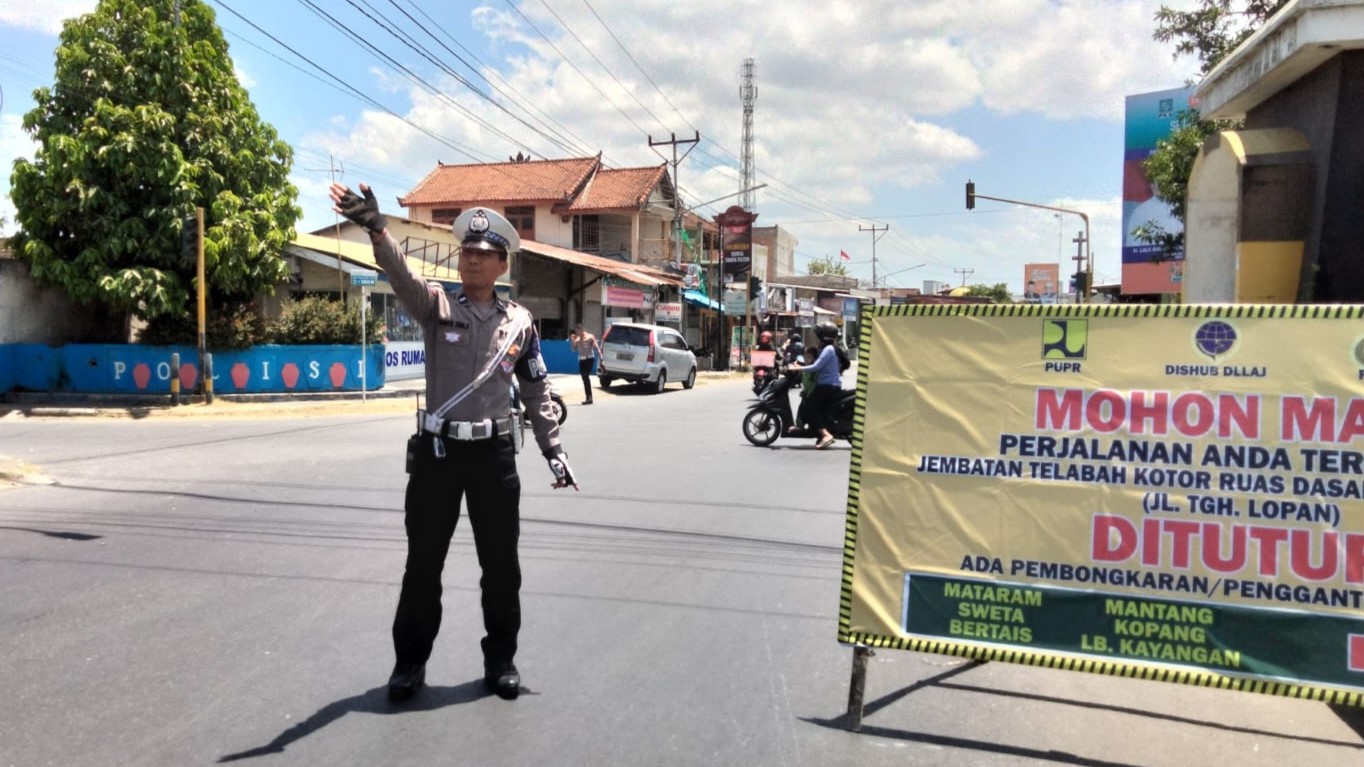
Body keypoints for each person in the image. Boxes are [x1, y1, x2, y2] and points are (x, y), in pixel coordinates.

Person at [329, 182, 578, 703]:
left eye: (484, 255)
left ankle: (502, 658)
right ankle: (409, 663)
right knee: (423, 565)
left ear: (502, 266)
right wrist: (378, 229)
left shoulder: (521, 326)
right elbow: (401, 275)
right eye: (467, 251)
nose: (472, 261)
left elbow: (536, 389)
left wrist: (554, 450)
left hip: (493, 458)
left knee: (501, 567)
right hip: (439, 457)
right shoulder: (436, 306)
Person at [787, 322, 845, 449]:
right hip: (829, 385)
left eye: (818, 334)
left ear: (823, 335)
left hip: (827, 386)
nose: (816, 337)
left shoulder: (828, 349)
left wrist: (799, 368)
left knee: (809, 408)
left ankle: (825, 435)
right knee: (818, 408)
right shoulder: (828, 349)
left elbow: (816, 366)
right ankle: (819, 433)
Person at [570, 323, 600, 405]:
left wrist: (601, 357)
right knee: (584, 378)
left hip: (590, 358)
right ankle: (588, 398)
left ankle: (589, 398)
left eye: (577, 331)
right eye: (575, 331)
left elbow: (596, 347)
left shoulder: (590, 336)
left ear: (581, 330)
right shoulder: (577, 339)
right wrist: (573, 341)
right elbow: (573, 350)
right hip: (582, 360)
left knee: (586, 376)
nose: (577, 333)